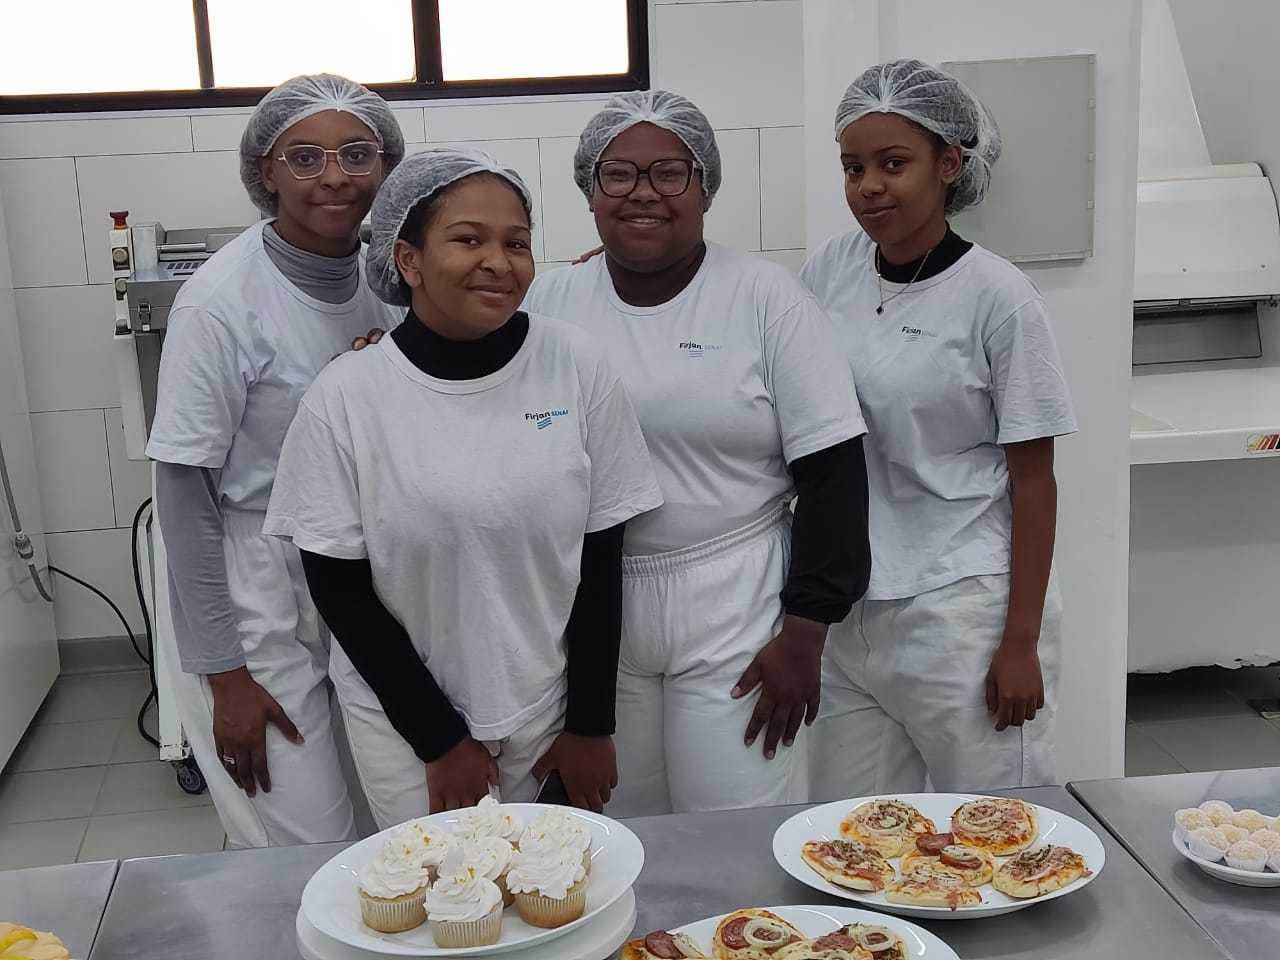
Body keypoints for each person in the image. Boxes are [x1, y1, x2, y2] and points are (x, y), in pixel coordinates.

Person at [263, 148, 663, 826]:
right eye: (469, 240)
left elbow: (600, 557)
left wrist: (591, 724)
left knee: (553, 882)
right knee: (439, 887)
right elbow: (338, 588)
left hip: (546, 705)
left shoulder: (573, 363)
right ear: (409, 260)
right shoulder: (348, 396)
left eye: (517, 243)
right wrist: (440, 740)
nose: (499, 262)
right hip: (407, 724)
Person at [523, 90, 872, 817]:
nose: (643, 192)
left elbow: (833, 473)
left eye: (670, 172)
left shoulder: (764, 299)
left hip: (735, 596)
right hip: (595, 604)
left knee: (735, 825)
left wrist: (807, 631)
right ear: (589, 189)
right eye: (619, 173)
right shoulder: (549, 305)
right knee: (620, 830)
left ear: (706, 187)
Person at [803, 60, 1078, 797]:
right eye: (853, 167)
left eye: (893, 164)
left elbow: (1034, 480)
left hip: (964, 607)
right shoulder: (831, 270)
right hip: (855, 608)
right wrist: (631, 270)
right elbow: (760, 349)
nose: (869, 186)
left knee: (991, 830)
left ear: (949, 164)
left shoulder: (999, 298)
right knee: (850, 832)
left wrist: (1019, 641)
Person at [146, 74, 404, 847]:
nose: (335, 176)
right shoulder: (221, 303)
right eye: (305, 157)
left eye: (356, 153)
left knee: (382, 835)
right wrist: (225, 674)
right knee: (303, 842)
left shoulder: (396, 278)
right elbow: (183, 493)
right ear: (266, 170)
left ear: (387, 165)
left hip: (359, 568)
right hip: (254, 581)